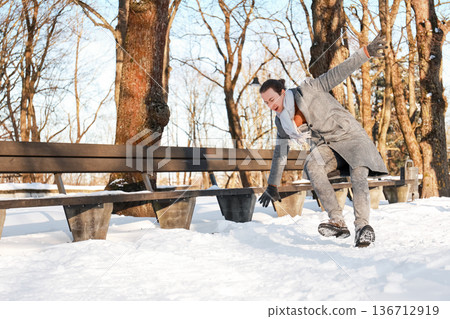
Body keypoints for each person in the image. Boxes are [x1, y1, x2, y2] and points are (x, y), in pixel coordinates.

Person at [258, 34, 388, 247]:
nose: (270, 105)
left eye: (272, 99)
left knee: (358, 173)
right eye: (266, 102)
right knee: (312, 164)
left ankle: (363, 228)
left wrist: (365, 53)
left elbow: (338, 73)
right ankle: (337, 221)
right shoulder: (282, 122)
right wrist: (272, 184)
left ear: (282, 92)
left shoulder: (308, 90)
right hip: (328, 147)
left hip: (350, 137)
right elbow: (280, 153)